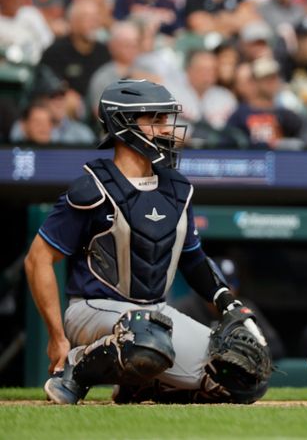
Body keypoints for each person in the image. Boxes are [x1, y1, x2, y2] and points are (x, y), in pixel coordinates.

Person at [23, 79, 271, 405]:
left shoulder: (177, 189)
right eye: (155, 120)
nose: (166, 129)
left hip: (154, 315)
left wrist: (225, 300)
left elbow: (193, 258)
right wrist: (57, 337)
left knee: (241, 377)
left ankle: (141, 386)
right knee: (147, 337)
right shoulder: (93, 187)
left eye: (166, 119)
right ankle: (76, 369)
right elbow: (37, 259)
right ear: (123, 124)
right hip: (92, 310)